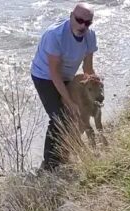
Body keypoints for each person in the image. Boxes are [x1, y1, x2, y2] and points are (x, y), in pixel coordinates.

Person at [31, 2, 98, 171]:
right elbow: (54, 73)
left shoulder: (90, 36)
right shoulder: (55, 35)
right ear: (71, 16)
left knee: (79, 113)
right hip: (44, 76)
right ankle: (50, 166)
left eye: (87, 22)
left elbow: (88, 69)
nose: (83, 25)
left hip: (67, 76)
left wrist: (95, 84)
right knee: (60, 116)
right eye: (79, 20)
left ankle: (66, 152)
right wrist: (69, 100)